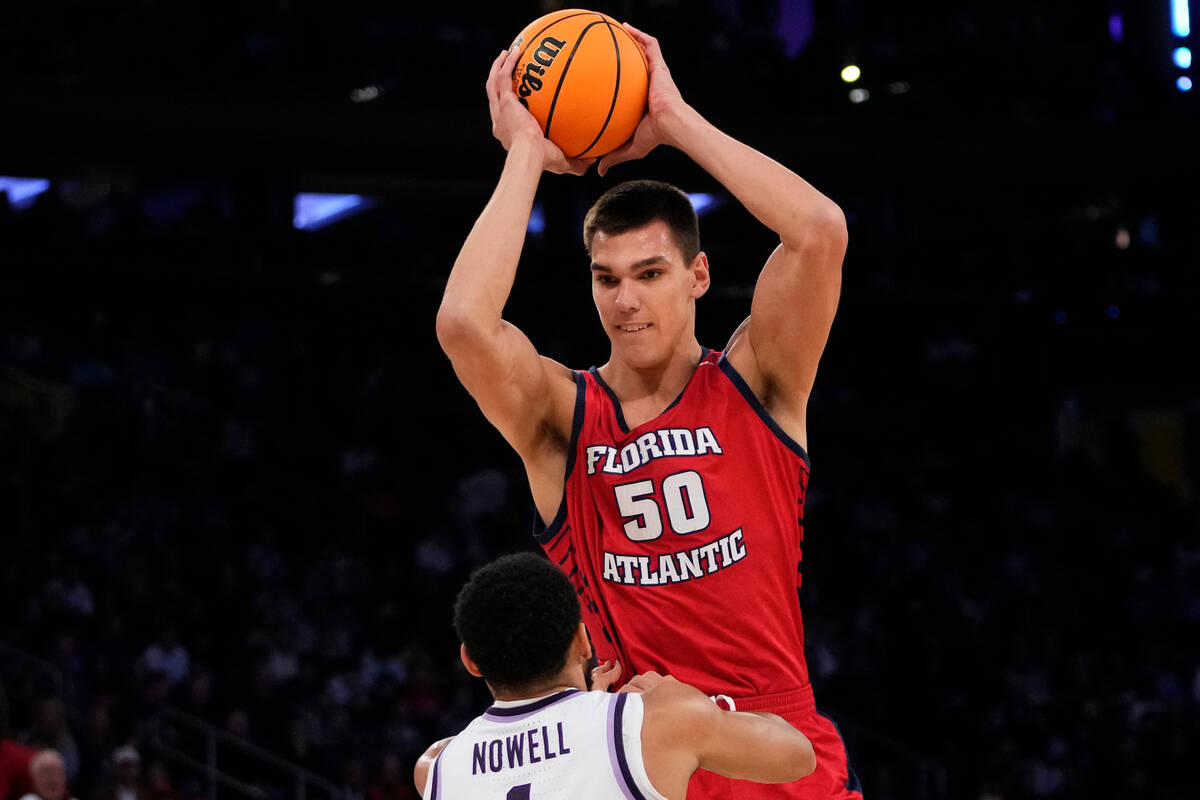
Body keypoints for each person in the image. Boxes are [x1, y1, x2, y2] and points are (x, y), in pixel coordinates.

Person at [437, 21, 856, 800]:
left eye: (650, 272)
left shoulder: (758, 381)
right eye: (606, 278)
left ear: (698, 276)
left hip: (778, 736)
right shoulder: (565, 417)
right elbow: (464, 324)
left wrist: (672, 121)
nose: (625, 300)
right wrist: (527, 150)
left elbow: (819, 230)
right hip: (636, 756)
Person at [412, 553, 814, 799]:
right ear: (583, 639)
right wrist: (689, 698)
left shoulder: (435, 767)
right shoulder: (653, 721)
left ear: (470, 661)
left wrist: (584, 705)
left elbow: (525, 742)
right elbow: (798, 754)